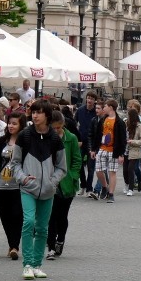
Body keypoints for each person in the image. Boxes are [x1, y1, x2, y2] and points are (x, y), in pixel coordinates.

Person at [11, 100, 67, 280]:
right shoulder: (24, 136)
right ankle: (27, 264)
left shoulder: (55, 139)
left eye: (39, 112)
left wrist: (53, 181)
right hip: (28, 188)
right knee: (28, 222)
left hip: (48, 190)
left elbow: (61, 167)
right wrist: (22, 178)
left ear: (47, 115)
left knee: (43, 228)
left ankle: (36, 264)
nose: (35, 115)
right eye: (33, 112)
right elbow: (15, 163)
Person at [46, 110, 81, 260]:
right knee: (51, 216)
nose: (56, 131)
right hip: (51, 183)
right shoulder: (46, 138)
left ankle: (61, 239)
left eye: (58, 127)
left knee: (62, 216)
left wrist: (72, 176)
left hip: (67, 184)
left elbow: (77, 159)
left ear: (63, 125)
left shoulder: (71, 138)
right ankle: (51, 247)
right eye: (53, 128)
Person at [0, 112, 27, 261]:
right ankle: (11, 245)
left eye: (15, 123)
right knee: (5, 216)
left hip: (18, 185)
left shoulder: (25, 141)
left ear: (21, 125)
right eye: (10, 123)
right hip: (1, 184)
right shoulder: (1, 141)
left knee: (17, 215)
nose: (11, 126)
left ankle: (15, 246)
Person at [90, 99, 126, 203]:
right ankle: (105, 187)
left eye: (105, 106)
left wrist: (121, 154)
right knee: (99, 170)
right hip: (102, 148)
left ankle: (111, 194)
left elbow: (122, 139)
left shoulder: (119, 122)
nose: (104, 108)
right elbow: (97, 135)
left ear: (111, 107)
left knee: (112, 172)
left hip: (113, 150)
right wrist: (93, 149)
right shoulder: (103, 120)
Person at [74, 91, 97, 196]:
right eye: (88, 98)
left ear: (94, 101)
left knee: (91, 166)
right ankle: (83, 185)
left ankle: (89, 188)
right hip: (81, 141)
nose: (89, 100)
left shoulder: (96, 112)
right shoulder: (80, 110)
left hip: (92, 142)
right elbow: (75, 124)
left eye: (92, 98)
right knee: (79, 165)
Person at [122, 108, 141, 196]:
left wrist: (132, 141)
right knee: (125, 170)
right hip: (125, 150)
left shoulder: (139, 126)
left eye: (129, 116)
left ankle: (131, 189)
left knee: (130, 169)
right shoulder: (126, 124)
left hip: (134, 150)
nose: (127, 117)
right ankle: (127, 184)